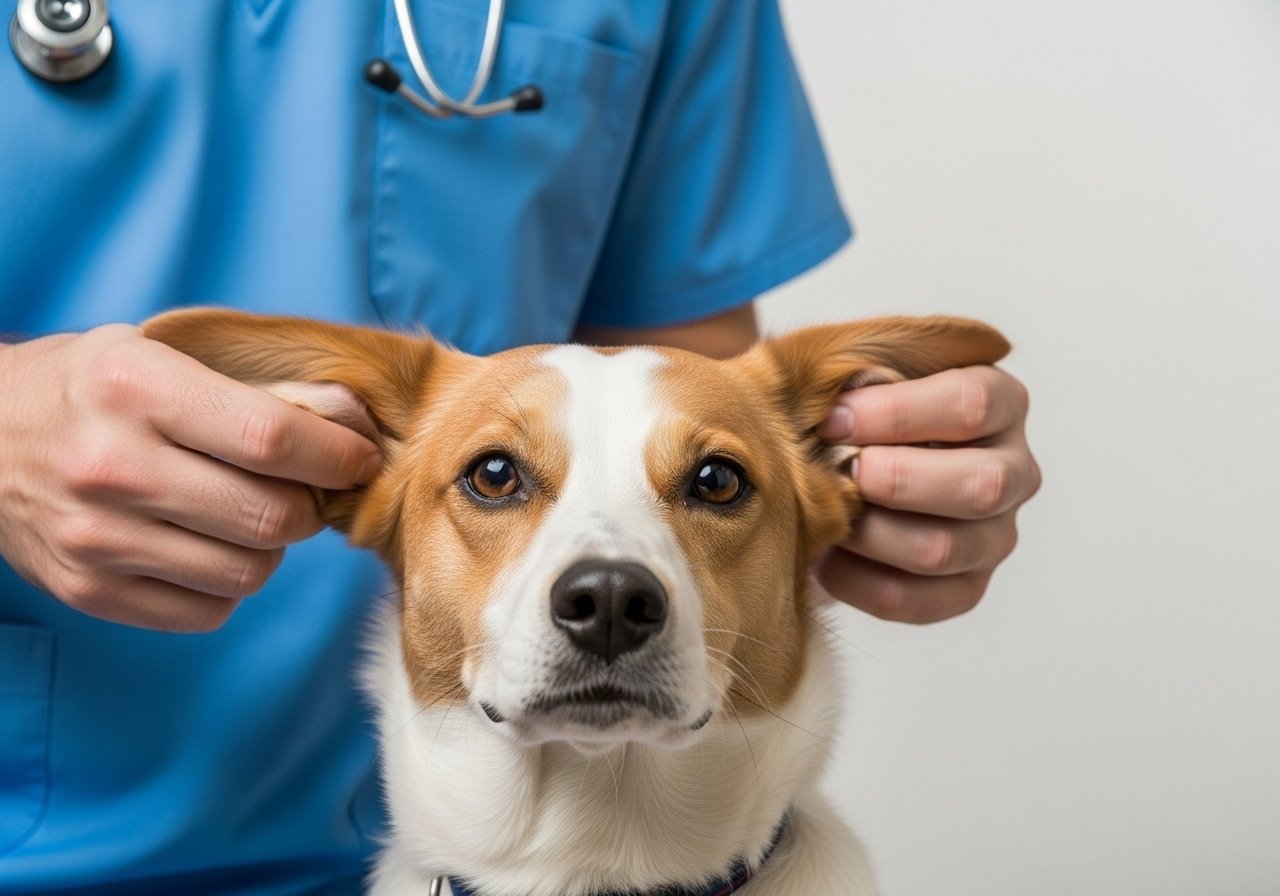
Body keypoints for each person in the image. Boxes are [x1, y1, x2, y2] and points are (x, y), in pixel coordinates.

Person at [0, 2, 1039, 892]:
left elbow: (682, 376)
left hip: (339, 848)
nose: (611, 586)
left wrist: (874, 463)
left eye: (713, 483)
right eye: (497, 475)